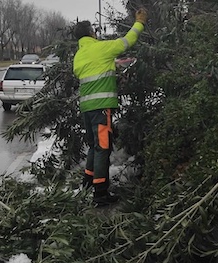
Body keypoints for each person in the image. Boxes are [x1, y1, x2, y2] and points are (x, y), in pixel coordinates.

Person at [73, 8, 148, 206]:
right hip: (101, 108)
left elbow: (95, 69)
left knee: (94, 147)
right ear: (90, 33)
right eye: (94, 31)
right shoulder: (101, 48)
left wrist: (113, 65)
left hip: (87, 109)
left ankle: (88, 182)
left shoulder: (79, 56)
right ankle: (100, 194)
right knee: (103, 149)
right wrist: (139, 22)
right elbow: (127, 41)